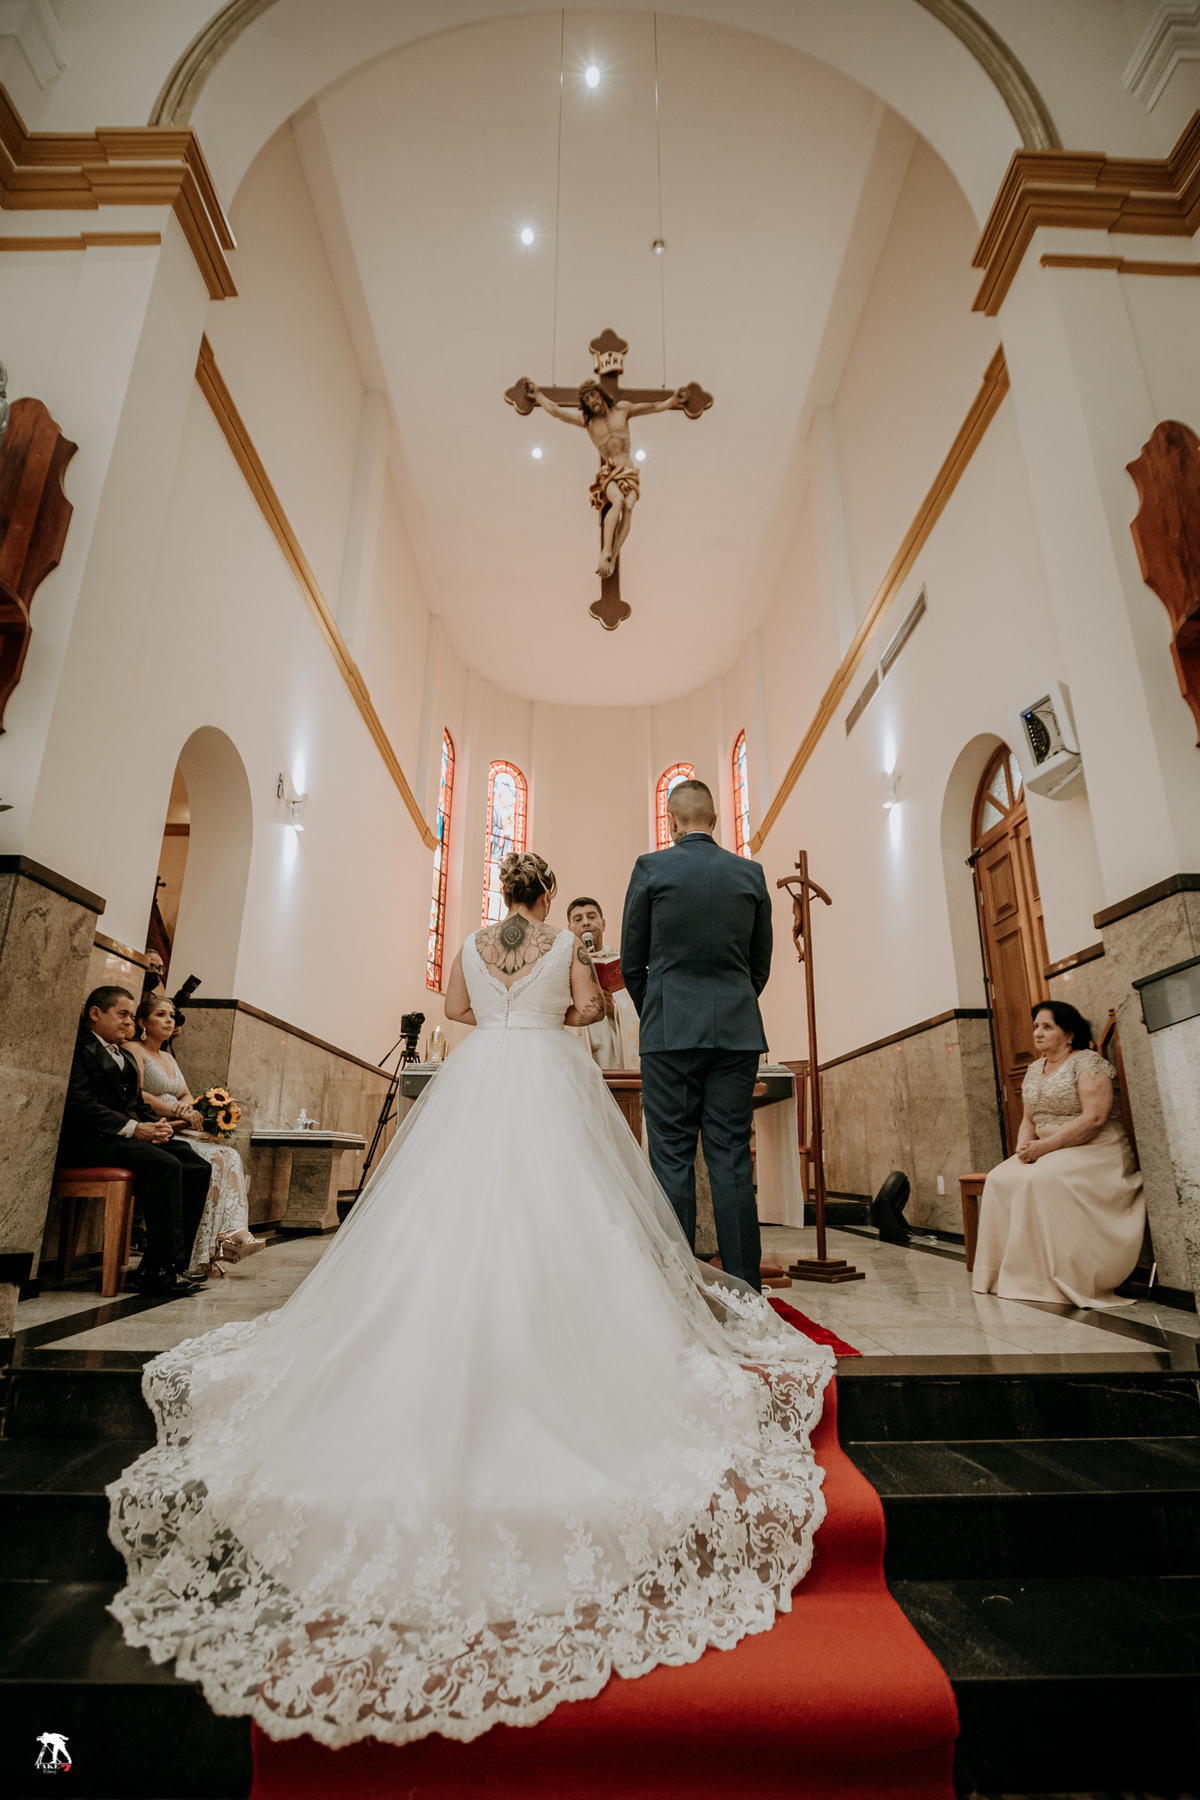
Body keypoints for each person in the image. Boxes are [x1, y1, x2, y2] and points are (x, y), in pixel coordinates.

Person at [106, 850, 832, 1753]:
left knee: (447, 1218)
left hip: (480, 1077)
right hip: (547, 1082)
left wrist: (496, 1012)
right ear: (551, 895)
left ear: (501, 895)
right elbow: (590, 1010)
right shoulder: (567, 939)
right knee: (570, 1212)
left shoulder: (473, 941)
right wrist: (563, 1002)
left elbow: (452, 1012)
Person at [621, 780, 773, 1290]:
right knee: (730, 1155)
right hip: (736, 1030)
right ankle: (747, 1291)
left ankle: (677, 1289)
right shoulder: (749, 873)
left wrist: (659, 1011)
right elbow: (759, 967)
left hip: (669, 1031)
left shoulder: (651, 868)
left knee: (671, 1155)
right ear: (714, 819)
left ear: (671, 820)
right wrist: (730, 1006)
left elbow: (630, 962)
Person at [971, 1000, 1146, 1309]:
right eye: (1036, 1026)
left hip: (1095, 1149)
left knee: (1038, 1179)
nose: (1038, 1033)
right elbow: (1029, 1118)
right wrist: (1022, 1149)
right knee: (1000, 1178)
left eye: (1047, 1026)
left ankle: (1052, 1278)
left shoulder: (1088, 1063)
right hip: (1046, 1149)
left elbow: (1094, 1119)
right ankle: (1007, 1275)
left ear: (1069, 1034)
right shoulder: (1034, 1068)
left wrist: (1043, 1149)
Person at [58, 986, 212, 1296]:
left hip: (123, 1137)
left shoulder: (121, 1054)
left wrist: (157, 1126)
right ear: (95, 1013)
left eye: (131, 1015)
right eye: (123, 1014)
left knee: (195, 1164)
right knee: (164, 1164)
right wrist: (133, 1129)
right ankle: (158, 1271)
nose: (129, 1022)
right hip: (89, 1141)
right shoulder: (78, 1047)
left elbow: (136, 1104)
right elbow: (79, 1104)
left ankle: (170, 1264)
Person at [128, 992, 265, 1278]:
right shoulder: (134, 1050)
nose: (170, 1020)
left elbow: (187, 1094)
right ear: (142, 1021)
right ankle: (196, 1250)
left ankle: (229, 1237)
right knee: (213, 1158)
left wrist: (191, 1108)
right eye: (161, 1014)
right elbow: (137, 1093)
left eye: (172, 1015)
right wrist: (175, 1110)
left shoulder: (167, 1056)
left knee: (230, 1155)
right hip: (154, 1124)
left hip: (177, 1123)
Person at [523, 377, 688, 577]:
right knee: (617, 501)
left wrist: (673, 400)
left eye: (592, 395)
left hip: (628, 472)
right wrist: (538, 395)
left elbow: (653, 407)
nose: (591, 401)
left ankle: (612, 556)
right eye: (586, 399)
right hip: (609, 474)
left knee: (628, 507)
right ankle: (606, 550)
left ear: (600, 393)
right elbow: (558, 412)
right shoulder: (589, 423)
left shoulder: (623, 410)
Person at [564, 894, 640, 1069]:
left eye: (591, 917)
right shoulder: (563, 964)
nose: (586, 923)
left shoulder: (621, 963)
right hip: (579, 1047)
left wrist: (616, 1010)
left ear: (603, 923)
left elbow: (640, 1010)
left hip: (614, 1045)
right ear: (569, 928)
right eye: (578, 919)